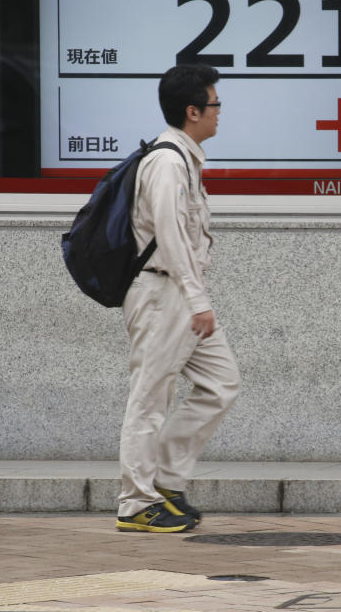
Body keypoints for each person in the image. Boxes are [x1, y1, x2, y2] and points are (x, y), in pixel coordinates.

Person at [115, 64, 241, 533]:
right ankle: (134, 504)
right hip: (161, 293)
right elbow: (169, 237)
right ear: (192, 111)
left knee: (221, 383)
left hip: (182, 293)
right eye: (214, 105)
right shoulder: (168, 162)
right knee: (149, 399)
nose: (219, 114)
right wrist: (197, 300)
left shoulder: (185, 159)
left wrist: (195, 297)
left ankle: (164, 480)